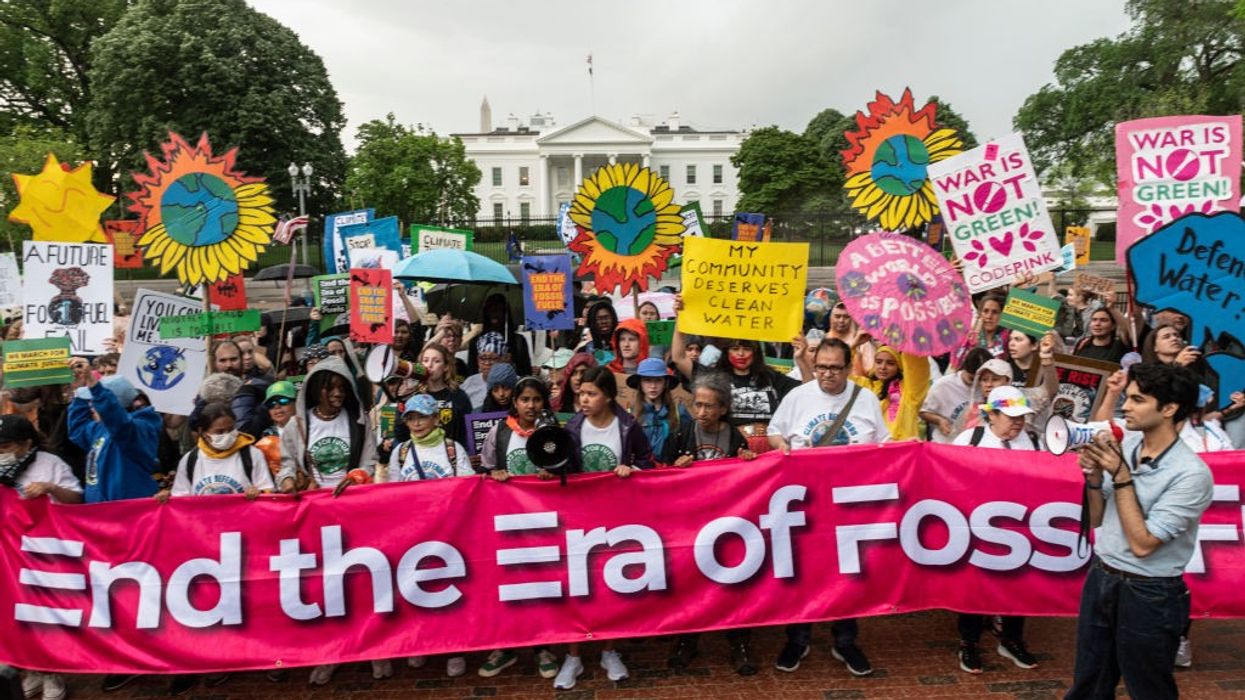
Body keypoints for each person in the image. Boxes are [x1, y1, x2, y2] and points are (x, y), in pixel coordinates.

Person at [1066, 362, 1213, 699]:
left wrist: (1119, 475)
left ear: (1169, 409)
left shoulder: (1191, 474)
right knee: (1089, 683)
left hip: (1150, 593)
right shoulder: (1128, 444)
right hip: (1102, 577)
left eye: (1138, 400)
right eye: (1128, 398)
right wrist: (1092, 479)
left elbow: (1144, 544)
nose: (1126, 407)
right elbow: (1099, 518)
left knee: (1148, 688)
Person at [766, 338, 888, 677]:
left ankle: (845, 640)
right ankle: (798, 638)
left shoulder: (864, 399)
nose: (827, 375)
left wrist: (906, 449)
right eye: (821, 367)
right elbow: (774, 434)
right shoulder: (798, 396)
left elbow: (883, 443)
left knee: (848, 574)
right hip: (806, 502)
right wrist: (784, 447)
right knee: (802, 574)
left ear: (849, 368)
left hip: (850, 505)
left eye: (835, 368)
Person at [554, 367, 653, 689]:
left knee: (611, 587)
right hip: (579, 520)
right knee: (578, 589)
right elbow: (563, 470)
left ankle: (610, 650)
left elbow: (648, 461)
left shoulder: (627, 425)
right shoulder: (572, 427)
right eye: (581, 393)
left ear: (608, 396)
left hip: (617, 521)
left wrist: (633, 469)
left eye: (591, 393)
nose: (583, 399)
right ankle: (573, 656)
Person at [662, 371, 758, 675]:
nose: (701, 412)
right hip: (690, 525)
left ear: (723, 409)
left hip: (728, 525)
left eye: (708, 406)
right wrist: (675, 471)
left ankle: (739, 642)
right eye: (697, 405)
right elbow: (659, 477)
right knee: (690, 583)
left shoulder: (734, 436)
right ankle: (687, 640)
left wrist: (749, 463)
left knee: (735, 584)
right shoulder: (681, 434)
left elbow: (750, 476)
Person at [951, 386, 1042, 674]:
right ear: (992, 414)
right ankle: (969, 643)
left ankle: (1012, 640)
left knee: (1019, 587)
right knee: (974, 588)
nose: (1017, 423)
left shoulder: (1035, 442)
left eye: (1021, 417)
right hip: (977, 529)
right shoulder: (970, 439)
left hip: (1021, 529)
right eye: (1010, 416)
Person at [478, 377, 562, 679]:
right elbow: (485, 471)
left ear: (544, 403)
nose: (530, 406)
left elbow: (564, 469)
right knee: (508, 588)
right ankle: (506, 646)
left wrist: (551, 474)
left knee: (540, 587)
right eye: (525, 400)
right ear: (515, 402)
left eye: (537, 400)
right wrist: (494, 474)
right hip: (507, 523)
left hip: (542, 523)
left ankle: (543, 646)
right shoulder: (499, 432)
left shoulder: (551, 433)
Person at [276, 356, 377, 499]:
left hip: (351, 500)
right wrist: (287, 480)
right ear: (316, 389)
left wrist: (356, 477)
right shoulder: (297, 424)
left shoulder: (359, 422)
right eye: (330, 388)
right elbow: (287, 465)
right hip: (313, 501)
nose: (337, 393)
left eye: (342, 388)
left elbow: (370, 462)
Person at [66, 364, 161, 504]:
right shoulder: (99, 428)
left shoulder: (137, 429)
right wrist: (80, 393)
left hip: (129, 514)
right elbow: (77, 429)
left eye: (94, 402)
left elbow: (119, 422)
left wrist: (95, 387)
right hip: (101, 514)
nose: (91, 407)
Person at [852, 342, 930, 441]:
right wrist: (854, 345)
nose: (883, 367)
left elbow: (917, 367)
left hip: (904, 449)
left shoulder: (910, 390)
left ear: (899, 366)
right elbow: (841, 375)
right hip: (876, 449)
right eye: (878, 362)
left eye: (890, 363)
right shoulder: (868, 386)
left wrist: (908, 342)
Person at [919, 348, 993, 443]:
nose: (975, 383)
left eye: (980, 380)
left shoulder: (989, 386)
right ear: (964, 368)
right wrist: (939, 420)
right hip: (945, 442)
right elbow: (923, 412)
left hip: (974, 444)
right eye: (971, 379)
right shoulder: (944, 385)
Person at [627, 357, 688, 462]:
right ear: (640, 383)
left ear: (665, 383)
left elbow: (688, 447)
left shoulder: (679, 413)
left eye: (658, 380)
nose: (653, 386)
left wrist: (684, 459)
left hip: (670, 473)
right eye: (647, 380)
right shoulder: (629, 414)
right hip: (640, 473)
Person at [414, 343, 473, 447]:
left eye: (436, 361)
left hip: (451, 455)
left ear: (446, 366)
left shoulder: (458, 396)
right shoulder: (415, 395)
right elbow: (402, 433)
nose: (429, 365)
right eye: (425, 360)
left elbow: (467, 432)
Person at [468, 293, 532, 376]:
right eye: (491, 310)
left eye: (498, 310)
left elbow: (526, 372)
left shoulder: (518, 341)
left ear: (506, 313)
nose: (494, 314)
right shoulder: (476, 341)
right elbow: (472, 371)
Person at [461, 332, 509, 410]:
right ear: (477, 360)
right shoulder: (468, 384)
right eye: (483, 358)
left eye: (493, 358)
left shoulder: (515, 383)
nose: (487, 363)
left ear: (503, 359)